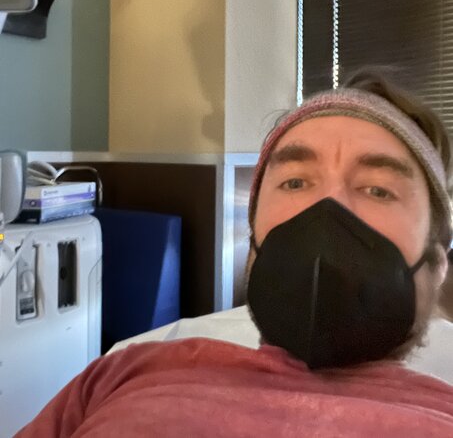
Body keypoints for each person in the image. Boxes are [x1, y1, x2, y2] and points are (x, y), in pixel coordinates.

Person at [15, 69, 453, 437]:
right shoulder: (118, 375)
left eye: (378, 189)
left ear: (437, 264)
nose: (329, 208)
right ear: (252, 243)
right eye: (295, 182)